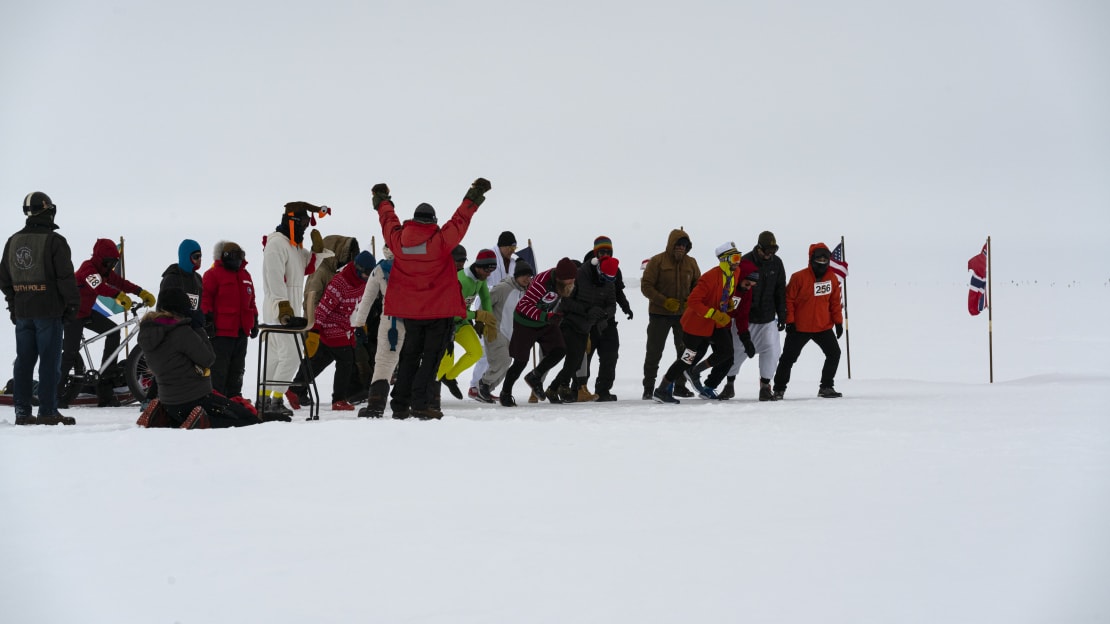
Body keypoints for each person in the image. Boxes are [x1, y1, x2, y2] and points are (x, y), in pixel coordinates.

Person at [373, 178, 490, 420]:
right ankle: (421, 403)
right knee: (431, 360)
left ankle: (400, 405)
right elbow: (461, 219)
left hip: (411, 313)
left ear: (414, 220)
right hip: (438, 312)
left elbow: (388, 220)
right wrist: (474, 194)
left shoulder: (398, 240)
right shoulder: (440, 241)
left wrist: (382, 200)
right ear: (433, 221)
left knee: (409, 357)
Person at [138, 288, 283, 428]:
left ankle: (168, 419)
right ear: (181, 309)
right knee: (247, 421)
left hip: (169, 402)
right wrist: (198, 328)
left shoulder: (150, 332)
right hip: (196, 399)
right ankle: (203, 423)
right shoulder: (181, 332)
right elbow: (208, 359)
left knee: (186, 415)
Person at [0, 192, 80, 425]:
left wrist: (14, 306)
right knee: (49, 363)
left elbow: (4, 280)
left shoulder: (12, 241)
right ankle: (47, 411)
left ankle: (22, 412)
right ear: (48, 210)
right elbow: (66, 278)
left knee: (24, 362)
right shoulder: (55, 241)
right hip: (49, 311)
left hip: (24, 313)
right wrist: (73, 305)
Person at [653, 243, 757, 403]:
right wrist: (713, 313)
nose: (738, 262)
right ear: (724, 259)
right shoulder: (709, 277)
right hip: (696, 325)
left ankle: (695, 371)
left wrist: (728, 304)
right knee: (687, 358)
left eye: (739, 257)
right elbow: (693, 301)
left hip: (716, 324)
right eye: (735, 258)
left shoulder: (736, 273)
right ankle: (662, 389)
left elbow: (726, 294)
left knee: (727, 351)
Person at [60, 238, 156, 407]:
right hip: (72, 313)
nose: (111, 266)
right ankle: (55, 394)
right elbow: (98, 287)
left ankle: (105, 384)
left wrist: (140, 292)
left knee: (114, 331)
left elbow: (120, 283)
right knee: (70, 353)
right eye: (109, 262)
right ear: (100, 258)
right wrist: (118, 296)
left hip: (86, 312)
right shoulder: (88, 268)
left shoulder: (104, 271)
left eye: (114, 262)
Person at [259, 202, 333, 418]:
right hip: (279, 310)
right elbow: (274, 279)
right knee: (291, 355)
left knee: (275, 356)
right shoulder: (276, 245)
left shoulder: (295, 246)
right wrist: (283, 308)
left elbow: (307, 267)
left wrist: (317, 251)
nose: (304, 227)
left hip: (287, 310)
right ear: (291, 221)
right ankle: (275, 400)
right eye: (302, 223)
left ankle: (264, 398)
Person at [698, 231, 786, 401]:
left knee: (772, 351)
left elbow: (780, 290)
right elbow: (733, 288)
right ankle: (729, 385)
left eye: (773, 250)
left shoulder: (777, 263)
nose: (770, 254)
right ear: (759, 247)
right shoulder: (744, 262)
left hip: (767, 318)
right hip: (744, 318)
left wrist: (782, 314)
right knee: (736, 353)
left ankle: (765, 387)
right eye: (767, 250)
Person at [295, 250, 375, 411]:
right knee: (346, 359)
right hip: (329, 325)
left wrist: (358, 326)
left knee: (321, 359)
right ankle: (338, 400)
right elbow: (323, 308)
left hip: (344, 325)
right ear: (358, 269)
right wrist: (314, 332)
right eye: (365, 273)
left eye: (369, 274)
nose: (367, 277)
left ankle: (295, 389)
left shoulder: (362, 283)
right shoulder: (340, 282)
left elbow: (354, 308)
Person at [498, 257, 577, 407]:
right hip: (524, 321)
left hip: (544, 321)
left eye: (573, 279)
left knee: (560, 350)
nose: (572, 282)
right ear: (560, 278)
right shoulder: (542, 283)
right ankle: (505, 393)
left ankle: (535, 376)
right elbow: (524, 306)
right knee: (520, 362)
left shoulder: (563, 282)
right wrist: (546, 316)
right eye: (570, 280)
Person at [772, 243, 844, 400]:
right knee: (788, 358)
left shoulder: (831, 278)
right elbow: (788, 300)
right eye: (819, 257)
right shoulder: (798, 277)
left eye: (825, 258)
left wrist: (838, 323)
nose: (822, 261)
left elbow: (835, 303)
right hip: (799, 327)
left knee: (834, 353)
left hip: (823, 327)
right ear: (812, 258)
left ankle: (826, 386)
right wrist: (790, 321)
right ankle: (778, 389)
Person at [640, 229, 700, 400]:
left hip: (684, 316)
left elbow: (698, 285)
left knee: (685, 352)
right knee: (654, 351)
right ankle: (649, 387)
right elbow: (646, 286)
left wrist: (691, 300)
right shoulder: (657, 261)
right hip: (659, 314)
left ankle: (679, 386)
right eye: (678, 244)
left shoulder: (691, 263)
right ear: (671, 244)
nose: (681, 248)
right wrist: (663, 301)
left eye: (684, 245)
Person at [467, 230, 526, 398]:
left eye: (515, 247)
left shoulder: (514, 263)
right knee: (486, 350)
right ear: (502, 246)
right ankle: (475, 386)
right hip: (487, 308)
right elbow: (482, 283)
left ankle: (486, 388)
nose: (513, 250)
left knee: (501, 352)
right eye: (510, 247)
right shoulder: (489, 259)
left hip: (505, 313)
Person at [576, 236, 633, 401]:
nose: (605, 254)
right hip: (588, 322)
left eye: (608, 251)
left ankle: (603, 390)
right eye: (602, 251)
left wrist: (626, 307)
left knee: (610, 355)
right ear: (596, 252)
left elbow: (618, 292)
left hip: (608, 320)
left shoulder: (615, 268)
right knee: (584, 357)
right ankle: (579, 388)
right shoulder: (584, 269)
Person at [200, 240, 258, 399]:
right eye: (234, 256)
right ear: (225, 257)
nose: (238, 259)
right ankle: (217, 398)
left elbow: (251, 300)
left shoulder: (246, 275)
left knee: (238, 369)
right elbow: (205, 297)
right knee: (219, 369)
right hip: (221, 333)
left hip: (241, 331)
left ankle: (235, 397)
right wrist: (208, 317)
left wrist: (255, 319)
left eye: (240, 256)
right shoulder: (212, 275)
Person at [438, 248, 498, 400]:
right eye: (487, 270)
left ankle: (449, 378)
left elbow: (485, 299)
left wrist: (487, 319)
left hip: (462, 322)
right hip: (446, 323)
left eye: (492, 271)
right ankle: (429, 393)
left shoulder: (480, 280)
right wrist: (477, 315)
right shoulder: (461, 280)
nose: (489, 274)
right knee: (446, 360)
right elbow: (453, 310)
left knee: (476, 352)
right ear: (478, 266)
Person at [353, 244, 403, 418]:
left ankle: (375, 405)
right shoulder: (422, 265)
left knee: (384, 362)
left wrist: (359, 324)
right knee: (415, 361)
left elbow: (367, 299)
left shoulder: (381, 269)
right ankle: (422, 403)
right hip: (420, 322)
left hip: (392, 322)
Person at [474, 260, 533, 402]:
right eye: (524, 275)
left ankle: (486, 388)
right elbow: (484, 301)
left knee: (506, 363)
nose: (527, 279)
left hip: (512, 334)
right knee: (503, 360)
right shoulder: (503, 288)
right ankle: (483, 385)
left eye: (529, 276)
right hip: (495, 330)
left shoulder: (527, 291)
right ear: (517, 276)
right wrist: (482, 321)